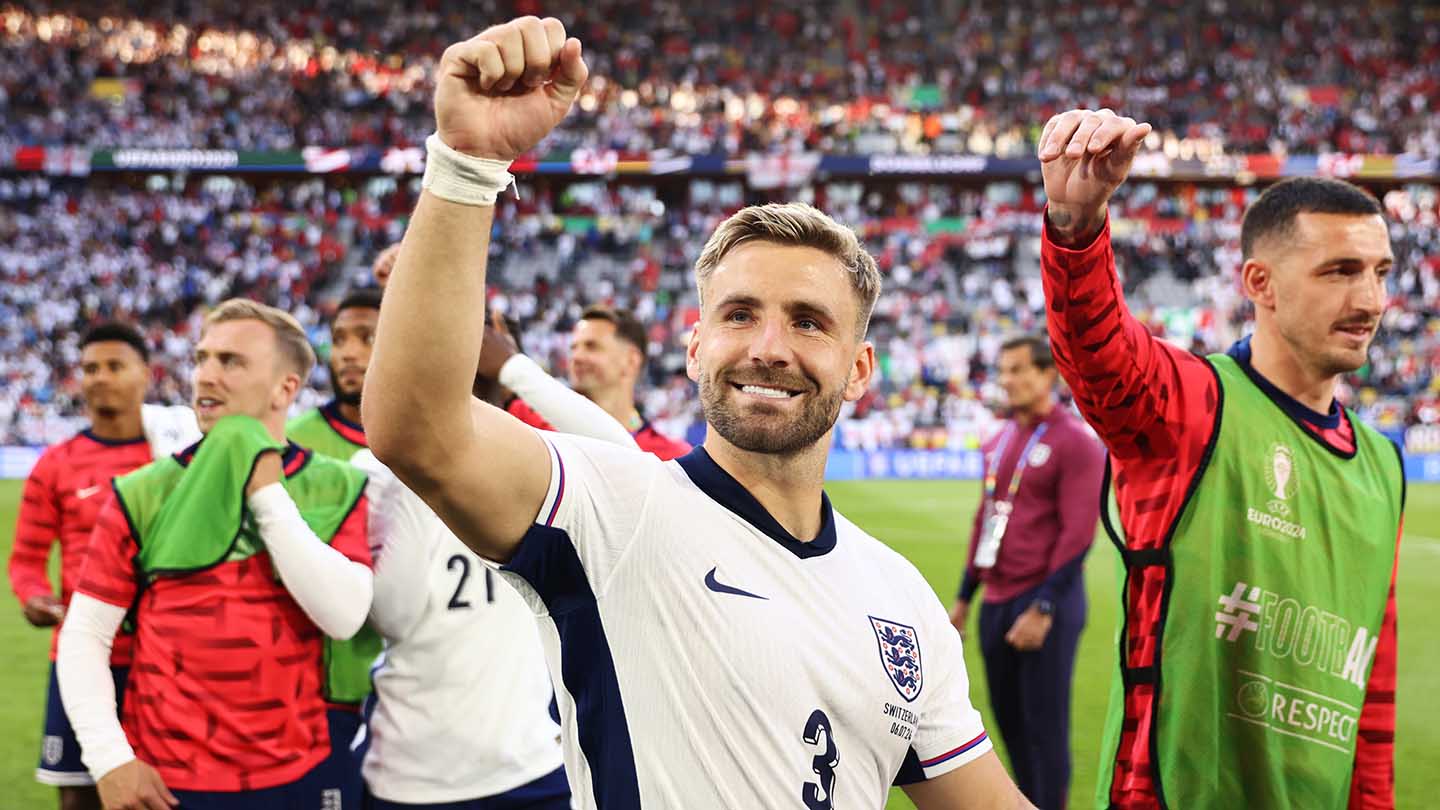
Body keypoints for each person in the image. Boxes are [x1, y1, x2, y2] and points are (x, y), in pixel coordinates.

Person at [363, 17, 1032, 809]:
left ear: (859, 372)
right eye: (740, 314)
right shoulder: (614, 511)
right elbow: (421, 431)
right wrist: (469, 165)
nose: (770, 348)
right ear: (694, 347)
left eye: (808, 321)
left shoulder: (903, 598)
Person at [1037, 109, 1403, 809]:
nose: (1371, 301)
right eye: (1340, 271)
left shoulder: (1384, 465)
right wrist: (1077, 229)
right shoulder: (1193, 405)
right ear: (1259, 284)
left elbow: (1373, 695)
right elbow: (1099, 352)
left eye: (1380, 272)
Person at [57, 299, 374, 810]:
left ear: (285, 388)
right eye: (202, 358)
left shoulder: (340, 486)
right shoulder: (142, 492)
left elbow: (343, 616)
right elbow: (86, 633)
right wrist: (108, 757)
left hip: (303, 772)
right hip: (168, 782)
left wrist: (267, 495)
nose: (206, 375)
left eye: (231, 362)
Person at [354, 320, 634, 809]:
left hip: (532, 763)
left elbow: (624, 459)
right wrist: (415, 464)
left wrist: (513, 367)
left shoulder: (534, 461)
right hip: (413, 772)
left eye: (484, 343)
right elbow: (391, 618)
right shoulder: (377, 467)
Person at [9, 323, 196, 810]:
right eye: (90, 368)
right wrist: (33, 597)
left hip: (163, 658)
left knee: (169, 794)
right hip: (81, 655)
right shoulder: (56, 463)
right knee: (79, 798)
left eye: (115, 366)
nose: (100, 377)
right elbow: (27, 558)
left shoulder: (176, 459)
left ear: (146, 374)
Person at [949, 333, 1103, 810]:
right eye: (1003, 371)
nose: (1007, 380)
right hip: (996, 598)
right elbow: (985, 519)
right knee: (1009, 724)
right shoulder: (1000, 438)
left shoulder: (1076, 443)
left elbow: (1079, 533)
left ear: (1048, 376)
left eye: (1018, 370)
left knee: (1045, 730)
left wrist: (1043, 606)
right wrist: (963, 598)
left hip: (1043, 601)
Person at [286, 288, 386, 807]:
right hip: (327, 692)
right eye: (340, 339)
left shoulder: (442, 437)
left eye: (366, 337)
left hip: (424, 690)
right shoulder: (293, 443)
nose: (348, 352)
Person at [568, 304, 691, 459]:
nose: (576, 357)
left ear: (631, 360)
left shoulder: (673, 461)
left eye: (591, 346)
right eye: (573, 348)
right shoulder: (549, 442)